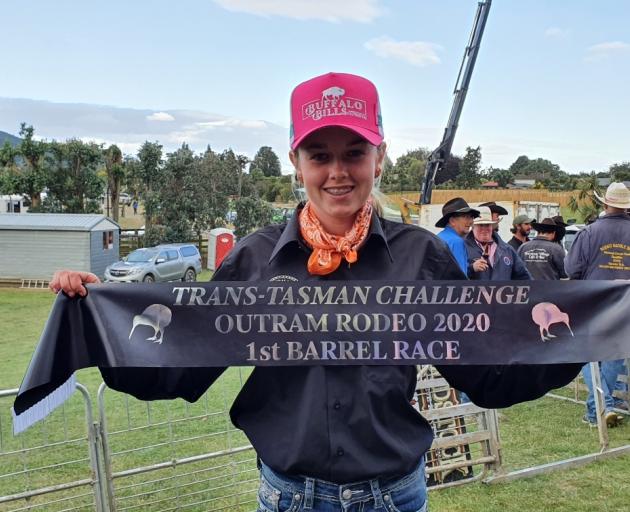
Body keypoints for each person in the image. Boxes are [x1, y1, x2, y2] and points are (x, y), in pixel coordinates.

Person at [50, 72, 581, 512]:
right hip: (289, 497)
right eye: (318, 155)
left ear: (379, 157)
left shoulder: (423, 256)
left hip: (394, 496)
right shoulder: (255, 258)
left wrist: (587, 329)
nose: (337, 172)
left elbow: (484, 375)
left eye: (354, 152)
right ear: (296, 162)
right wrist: (96, 318)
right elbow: (181, 368)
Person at [565, 182, 630, 427]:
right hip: (625, 303)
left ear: (605, 204)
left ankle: (598, 410)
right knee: (615, 356)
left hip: (594, 301)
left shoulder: (589, 232)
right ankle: (603, 408)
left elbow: (572, 269)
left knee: (588, 356)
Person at [466, 206, 531, 280]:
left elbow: (523, 277)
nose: (484, 229)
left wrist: (537, 289)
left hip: (503, 292)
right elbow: (454, 277)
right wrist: (471, 268)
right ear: (473, 227)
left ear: (492, 226)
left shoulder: (507, 250)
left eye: (487, 225)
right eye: (480, 225)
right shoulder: (463, 248)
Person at [435, 197, 479, 274]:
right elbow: (460, 277)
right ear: (452, 221)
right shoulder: (456, 241)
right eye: (466, 217)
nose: (471, 221)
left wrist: (471, 268)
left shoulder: (439, 237)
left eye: (471, 217)